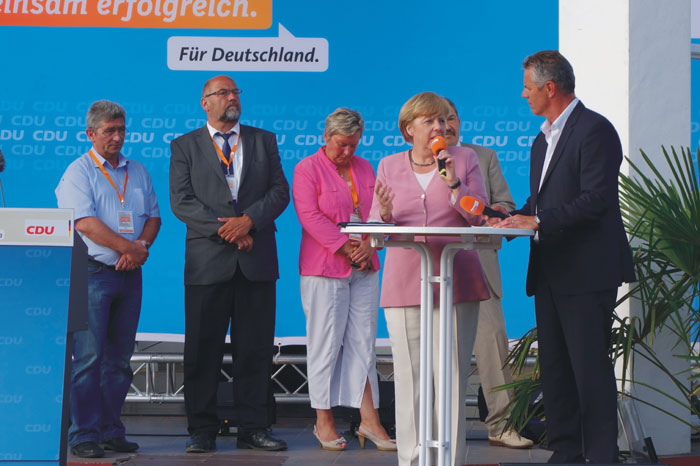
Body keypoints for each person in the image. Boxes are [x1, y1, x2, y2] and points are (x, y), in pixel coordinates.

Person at [490, 50, 635, 464]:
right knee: (554, 368)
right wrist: (506, 219)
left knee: (589, 369)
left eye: (528, 87)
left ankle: (602, 455)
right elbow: (541, 203)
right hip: (550, 270)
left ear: (550, 88)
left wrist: (536, 221)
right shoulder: (542, 139)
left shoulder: (595, 130)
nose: (524, 95)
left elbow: (596, 200)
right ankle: (567, 451)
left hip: (587, 271)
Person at [169, 75, 290, 453]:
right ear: (205, 102)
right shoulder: (184, 145)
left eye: (235, 92)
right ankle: (202, 430)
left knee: (255, 349)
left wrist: (248, 222)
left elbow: (279, 192)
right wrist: (229, 232)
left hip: (256, 260)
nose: (232, 97)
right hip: (207, 263)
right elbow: (182, 201)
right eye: (223, 93)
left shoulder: (263, 140)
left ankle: (254, 428)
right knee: (202, 350)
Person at [370, 91, 490, 466]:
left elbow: (479, 216)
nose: (439, 127)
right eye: (429, 121)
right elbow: (375, 227)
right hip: (405, 282)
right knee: (410, 376)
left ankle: (448, 460)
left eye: (442, 120)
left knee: (450, 375)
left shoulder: (464, 160)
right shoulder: (388, 165)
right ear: (409, 128)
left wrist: (454, 184)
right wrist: (384, 215)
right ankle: (411, 459)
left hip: (457, 280)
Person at [56, 100, 161, 458]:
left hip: (130, 276)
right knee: (88, 358)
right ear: (90, 133)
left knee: (119, 360)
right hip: (94, 273)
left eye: (121, 130)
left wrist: (141, 246)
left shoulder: (138, 170)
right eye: (109, 131)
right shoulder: (78, 172)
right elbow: (85, 223)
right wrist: (128, 249)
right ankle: (83, 433)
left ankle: (110, 429)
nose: (117, 137)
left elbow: (154, 217)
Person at [292, 107, 396, 452]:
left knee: (363, 343)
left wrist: (369, 244)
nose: (348, 151)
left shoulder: (365, 167)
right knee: (325, 344)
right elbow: (309, 216)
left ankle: (370, 420)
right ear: (326, 137)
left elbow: (377, 212)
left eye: (353, 144)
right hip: (324, 267)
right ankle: (323, 420)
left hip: (365, 266)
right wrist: (346, 247)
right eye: (341, 145)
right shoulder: (307, 168)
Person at [444, 98, 533, 449]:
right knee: (437, 351)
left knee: (493, 346)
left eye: (452, 117)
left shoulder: (484, 156)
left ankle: (503, 425)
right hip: (432, 268)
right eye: (439, 119)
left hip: (479, 264)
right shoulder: (415, 162)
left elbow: (506, 206)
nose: (446, 125)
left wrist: (493, 212)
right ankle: (438, 428)